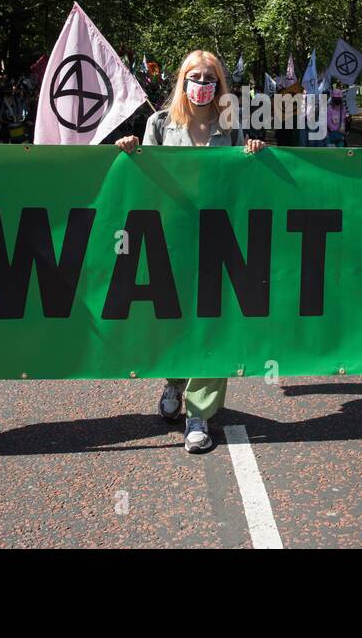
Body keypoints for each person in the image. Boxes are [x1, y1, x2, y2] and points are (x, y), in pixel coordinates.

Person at [113, 49, 268, 454]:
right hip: (171, 238)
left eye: (209, 77)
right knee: (173, 318)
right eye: (194, 77)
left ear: (220, 84)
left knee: (215, 322)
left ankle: (199, 412)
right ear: (181, 81)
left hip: (220, 239)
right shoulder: (159, 123)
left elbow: (246, 182)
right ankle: (174, 379)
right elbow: (142, 181)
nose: (202, 84)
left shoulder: (231, 126)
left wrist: (254, 153)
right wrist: (131, 150)